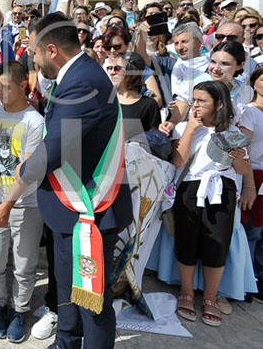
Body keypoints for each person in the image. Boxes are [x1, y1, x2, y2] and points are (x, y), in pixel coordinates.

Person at [0, 13, 132, 348]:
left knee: (91, 301)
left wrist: (21, 175)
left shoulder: (82, 82)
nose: (33, 59)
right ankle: (66, 342)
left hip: (89, 208)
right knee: (69, 290)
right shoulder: (79, 74)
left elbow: (54, 148)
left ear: (52, 50)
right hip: (68, 208)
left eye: (34, 52)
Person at [170, 81, 251, 326]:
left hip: (222, 189)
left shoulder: (233, 132)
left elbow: (242, 169)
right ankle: (186, 292)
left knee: (217, 243)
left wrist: (240, 158)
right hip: (190, 187)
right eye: (194, 100)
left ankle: (210, 297)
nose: (195, 105)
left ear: (218, 105)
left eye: (202, 101)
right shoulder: (184, 127)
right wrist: (190, 129)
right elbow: (178, 161)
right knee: (187, 239)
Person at [0, 61, 44, 342]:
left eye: (6, 87)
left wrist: (8, 204)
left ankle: (19, 310)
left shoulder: (34, 121)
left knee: (24, 264)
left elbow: (28, 170)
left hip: (26, 203)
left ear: (23, 86)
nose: (0, 92)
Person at [239, 66, 263, 303]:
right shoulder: (249, 112)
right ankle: (246, 280)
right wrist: (248, 184)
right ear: (254, 83)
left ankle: (259, 276)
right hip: (254, 175)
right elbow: (243, 148)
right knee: (252, 231)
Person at [108, 54, 160, 140]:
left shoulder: (148, 105)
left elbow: (154, 140)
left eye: (117, 68)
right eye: (110, 68)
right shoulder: (104, 101)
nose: (112, 73)